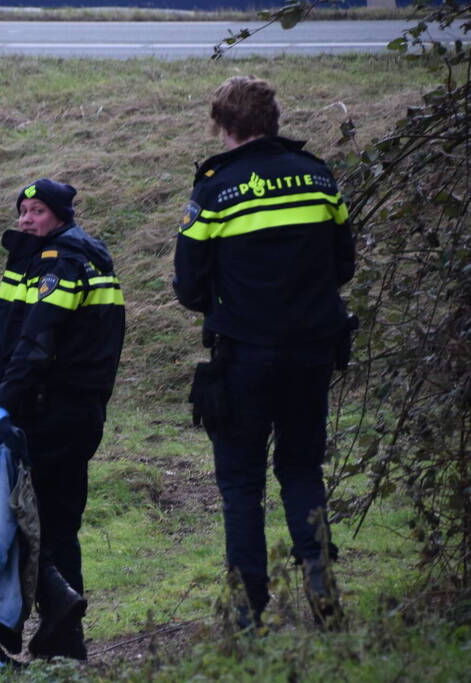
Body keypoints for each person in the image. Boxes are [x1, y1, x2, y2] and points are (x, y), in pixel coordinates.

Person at [173, 76, 355, 631]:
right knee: (301, 468)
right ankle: (322, 589)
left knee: (240, 482)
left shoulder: (214, 187)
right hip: (313, 352)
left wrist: (233, 303)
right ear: (273, 120)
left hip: (245, 355)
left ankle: (249, 611)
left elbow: (187, 286)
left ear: (222, 125)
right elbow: (343, 264)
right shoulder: (319, 176)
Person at [0, 178, 125, 659]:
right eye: (22, 210)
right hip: (74, 409)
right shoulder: (71, 256)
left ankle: (32, 632)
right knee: (57, 522)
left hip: (50, 411)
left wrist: (6, 404)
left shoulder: (58, 263)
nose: (25, 218)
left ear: (59, 215)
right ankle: (63, 641)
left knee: (26, 522)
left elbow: (36, 343)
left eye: (37, 210)